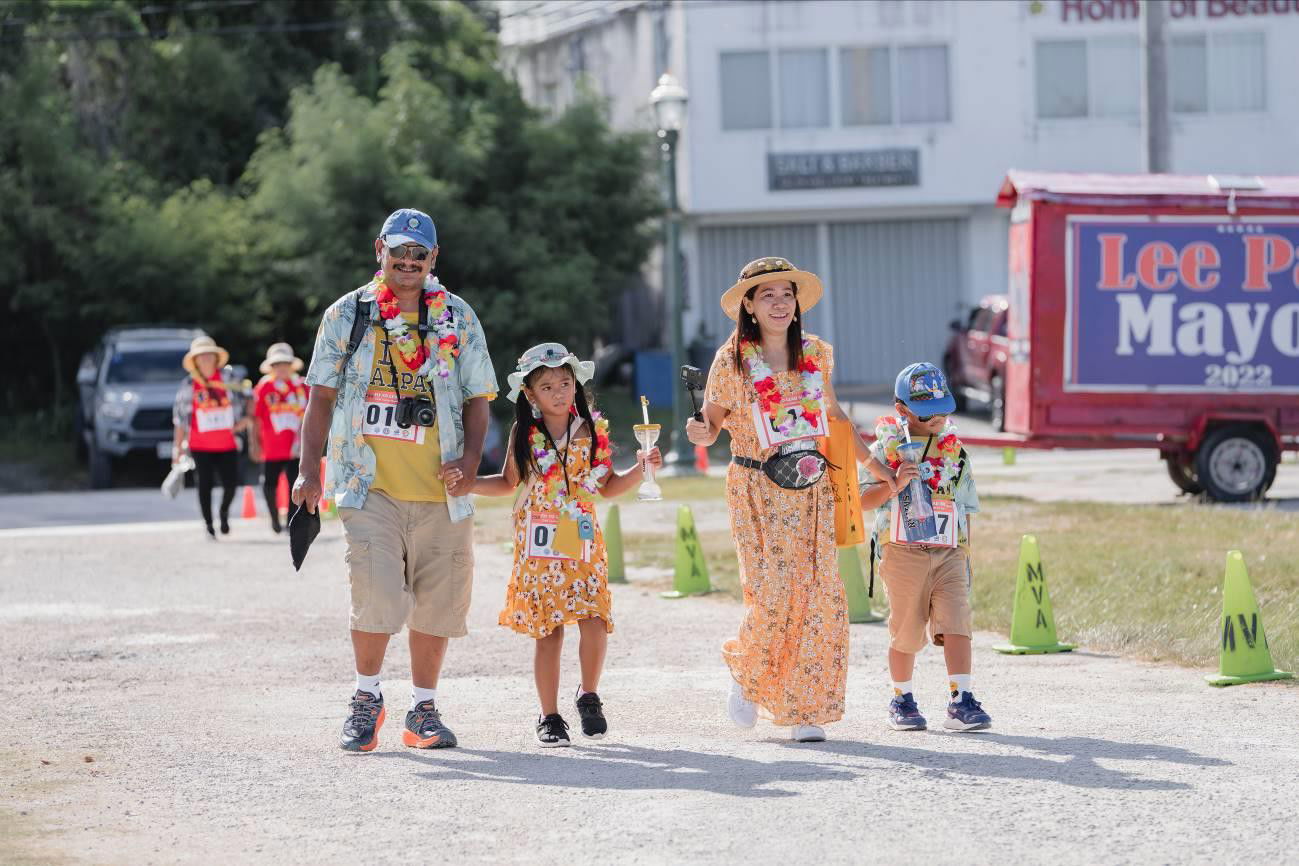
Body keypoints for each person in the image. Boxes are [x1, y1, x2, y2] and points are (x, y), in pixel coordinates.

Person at [292, 208, 499, 753]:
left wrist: (473, 459)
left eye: (419, 256)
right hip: (369, 483)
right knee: (376, 594)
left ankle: (423, 711)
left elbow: (480, 395)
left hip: (443, 488)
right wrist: (307, 470)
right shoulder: (349, 314)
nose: (408, 264)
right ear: (379, 251)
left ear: (434, 259)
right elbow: (321, 397)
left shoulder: (457, 316)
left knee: (438, 603)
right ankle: (366, 698)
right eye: (399, 253)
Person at [684, 256, 869, 743]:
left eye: (786, 294)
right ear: (748, 304)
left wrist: (877, 467)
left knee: (820, 598)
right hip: (756, 488)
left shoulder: (816, 353)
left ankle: (801, 709)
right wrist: (698, 431)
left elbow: (834, 416)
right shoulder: (732, 360)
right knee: (774, 591)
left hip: (810, 488)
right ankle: (747, 674)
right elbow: (710, 427)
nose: (779, 303)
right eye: (766, 295)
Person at [474, 344, 660, 747]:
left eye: (565, 382)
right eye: (547, 386)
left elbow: (608, 487)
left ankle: (588, 694)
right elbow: (508, 482)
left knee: (593, 617)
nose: (559, 392)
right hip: (538, 539)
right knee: (549, 629)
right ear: (530, 394)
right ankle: (549, 715)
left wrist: (642, 469)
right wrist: (469, 483)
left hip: (580, 537)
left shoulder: (592, 429)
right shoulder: (525, 433)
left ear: (577, 385)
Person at [863, 362, 992, 733]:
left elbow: (966, 505)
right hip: (903, 551)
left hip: (949, 550)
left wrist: (965, 554)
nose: (936, 416)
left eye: (941, 407)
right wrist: (893, 482)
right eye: (925, 410)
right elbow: (860, 501)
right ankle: (902, 698)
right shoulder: (881, 451)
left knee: (957, 621)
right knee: (907, 628)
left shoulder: (956, 451)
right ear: (901, 409)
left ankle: (961, 699)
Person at [172, 335, 250, 540]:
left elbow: (251, 396)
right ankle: (208, 525)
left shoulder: (229, 379)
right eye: (201, 356)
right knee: (204, 485)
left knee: (231, 486)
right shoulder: (188, 385)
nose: (205, 359)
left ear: (216, 358)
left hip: (228, 443)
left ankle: (224, 513)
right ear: (195, 360)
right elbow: (180, 420)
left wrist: (246, 420)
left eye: (209, 355)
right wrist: (178, 449)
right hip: (200, 445)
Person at [250, 343, 308, 533]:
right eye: (277, 364)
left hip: (296, 447)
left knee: (295, 485)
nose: (281, 367)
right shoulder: (264, 387)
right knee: (268, 484)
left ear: (291, 365)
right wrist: (254, 443)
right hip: (271, 447)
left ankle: (291, 519)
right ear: (272, 367)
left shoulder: (302, 386)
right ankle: (274, 518)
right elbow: (256, 418)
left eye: (285, 363)